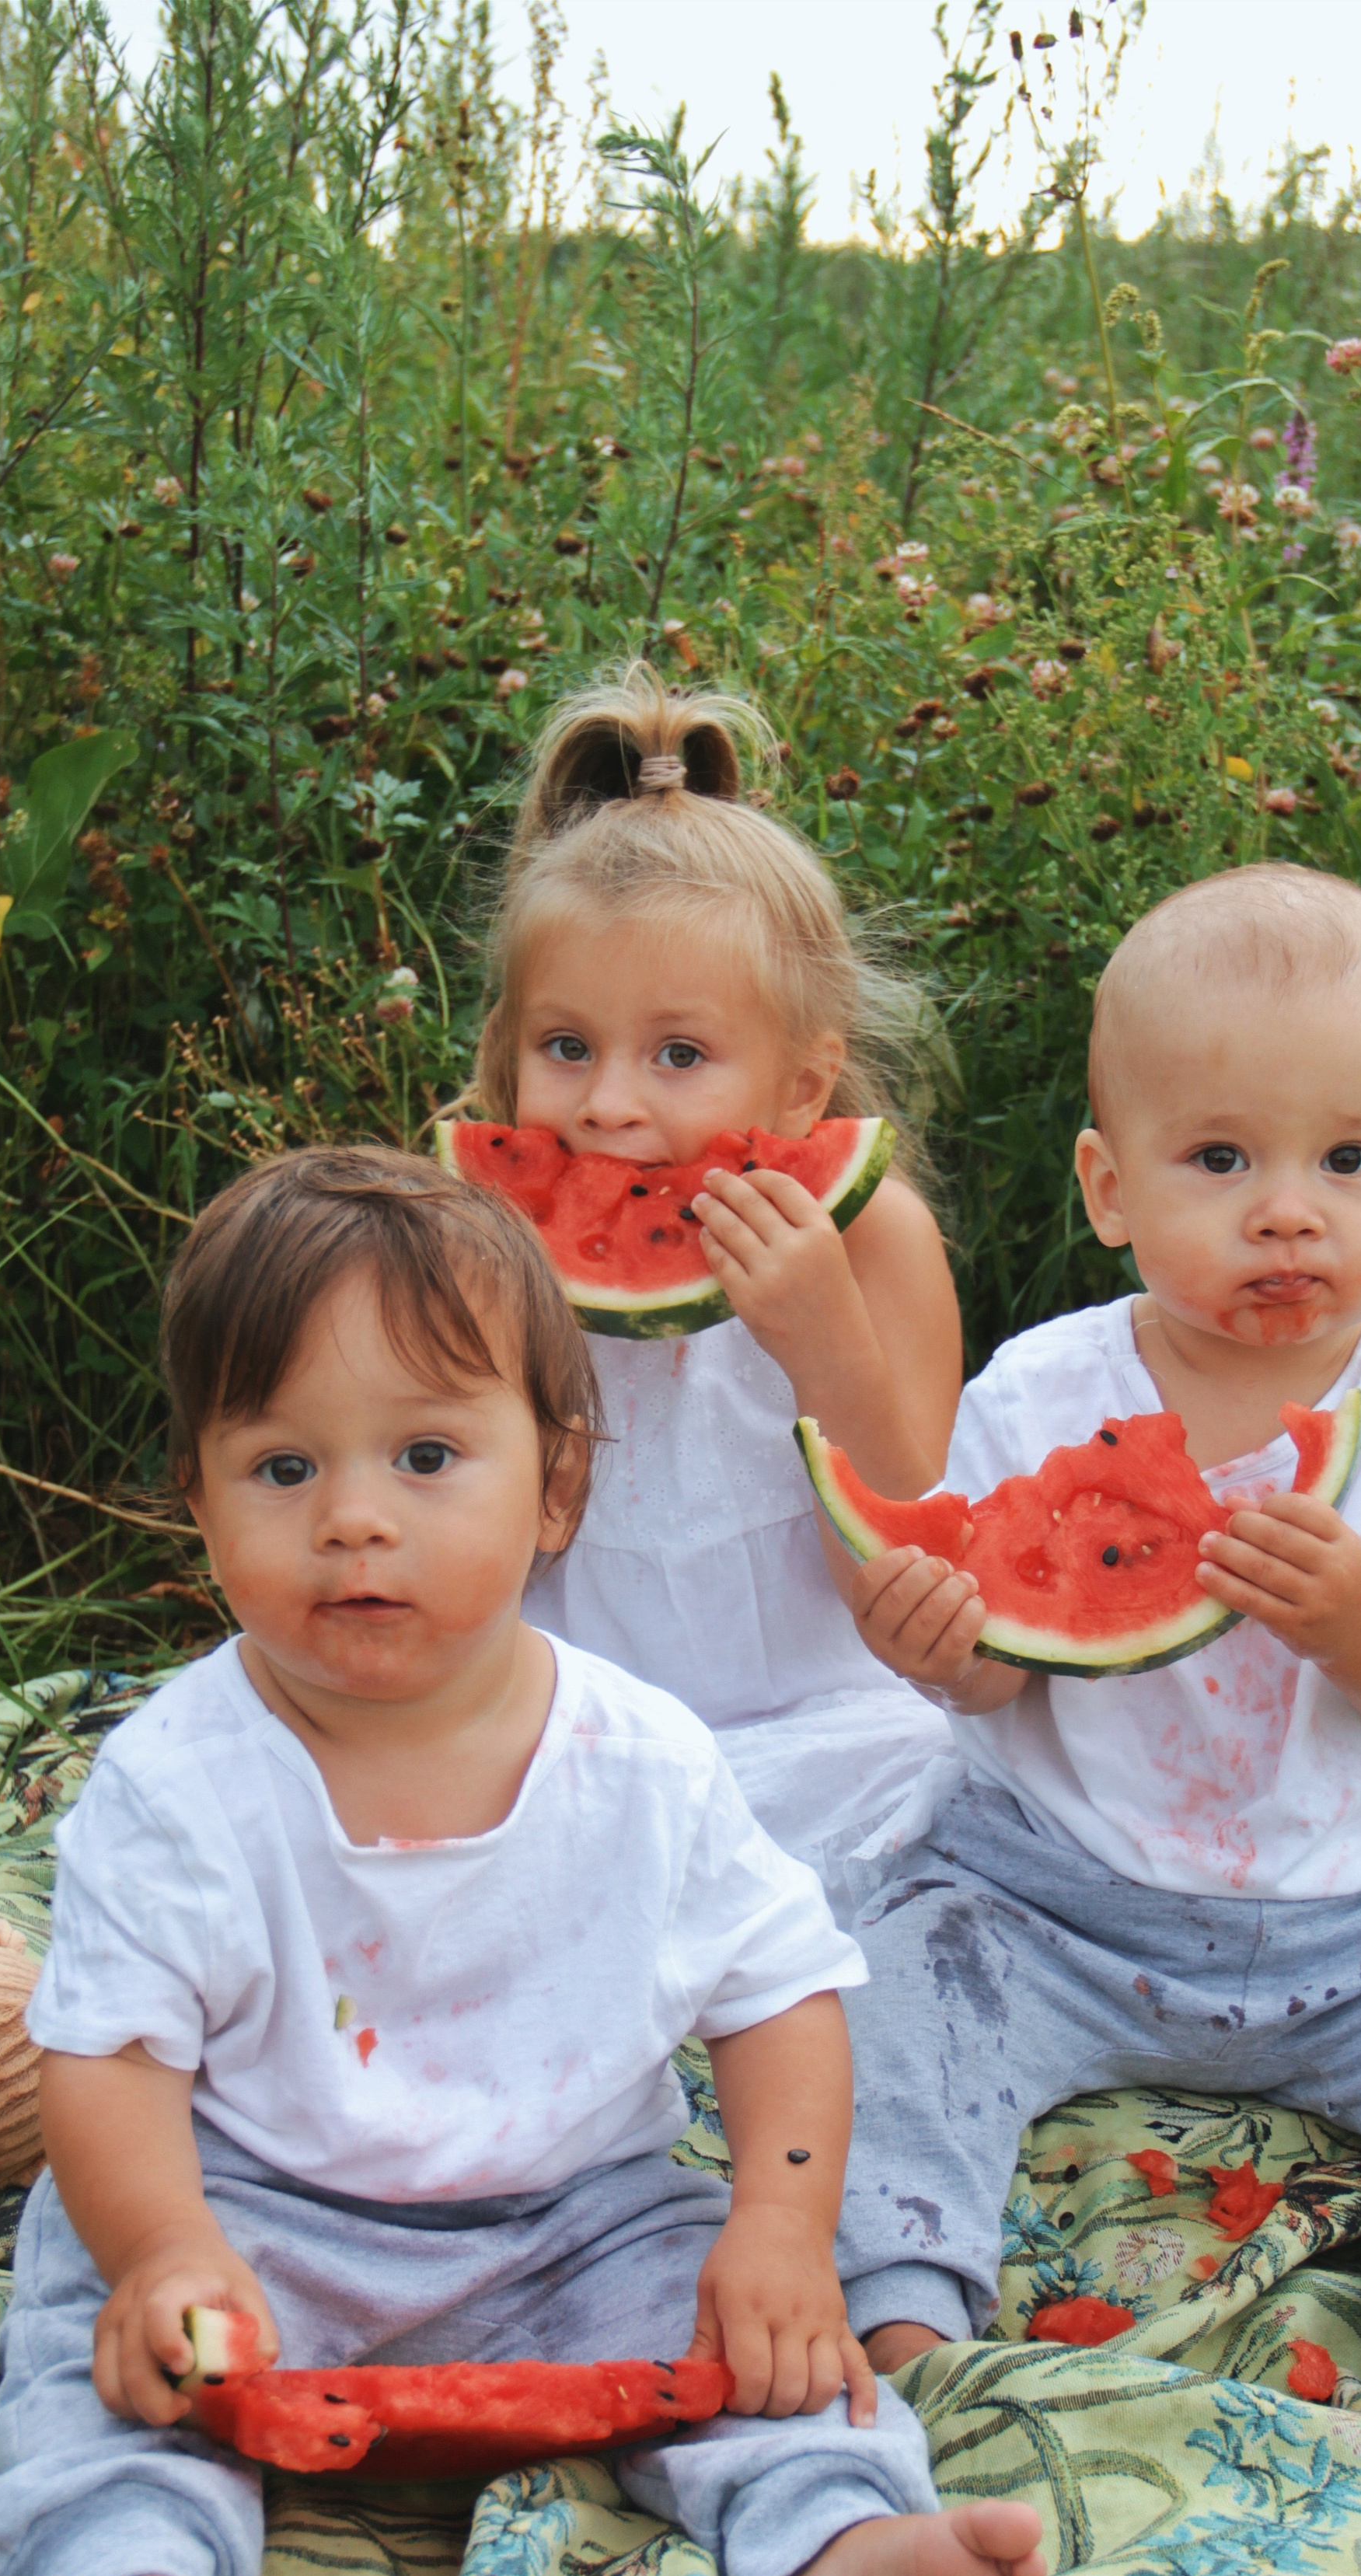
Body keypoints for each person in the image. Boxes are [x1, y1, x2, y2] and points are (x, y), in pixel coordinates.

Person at [0, 1145, 1052, 2576]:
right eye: (281, 1468)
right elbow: (111, 2059)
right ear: (197, 1498)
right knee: (92, 2353)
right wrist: (164, 2249)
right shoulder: (178, 1780)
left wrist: (777, 2230)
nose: (352, 1518)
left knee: (772, 2353)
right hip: (253, 2208)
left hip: (572, 2217)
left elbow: (780, 1996)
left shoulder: (643, 1757)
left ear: (555, 1489)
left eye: (424, 1457)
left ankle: (831, 2557)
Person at [832, 864, 1361, 2461]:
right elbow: (1002, 1676)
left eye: (1347, 1160)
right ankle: (901, 2304)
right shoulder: (1035, 1394)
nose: (1285, 1210)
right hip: (1053, 1896)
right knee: (888, 2000)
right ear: (1107, 1185)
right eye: (1217, 1158)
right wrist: (935, 1647)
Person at [473, 661, 961, 1916]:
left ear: (804, 1086)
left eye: (679, 1054)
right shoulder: (485, 1235)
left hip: (834, 1736)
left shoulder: (879, 1240)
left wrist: (823, 1342)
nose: (608, 1103)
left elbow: (913, 1549)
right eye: (565, 1047)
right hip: (577, 1734)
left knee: (940, 1813)